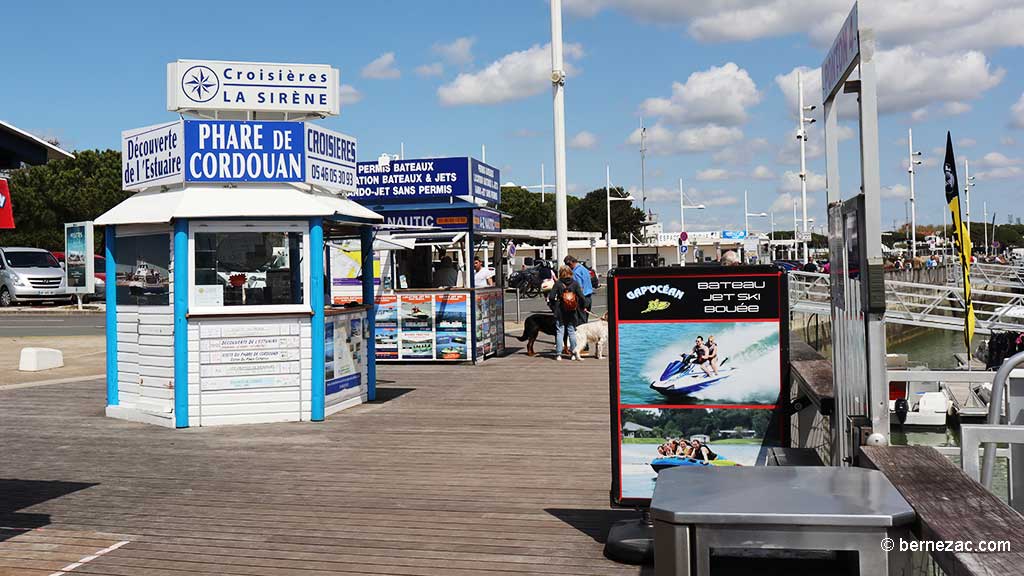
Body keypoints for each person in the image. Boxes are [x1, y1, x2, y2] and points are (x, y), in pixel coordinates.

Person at [547, 265, 587, 360]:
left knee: (560, 332)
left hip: (560, 311)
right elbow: (582, 297)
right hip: (572, 311)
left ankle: (558, 354)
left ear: (560, 273)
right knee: (571, 332)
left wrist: (554, 306)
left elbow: (551, 297)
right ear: (570, 272)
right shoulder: (575, 283)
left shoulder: (558, 283)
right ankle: (573, 353)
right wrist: (582, 307)